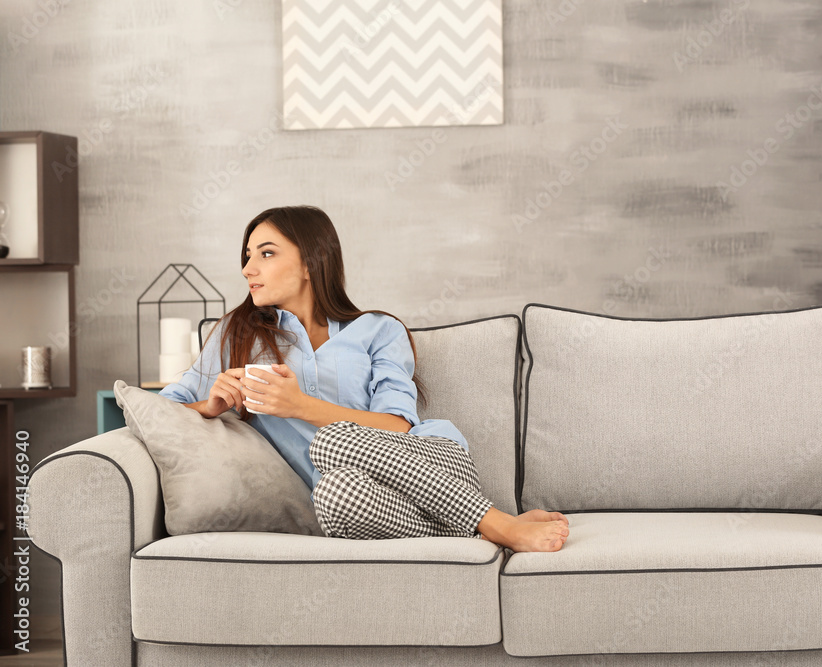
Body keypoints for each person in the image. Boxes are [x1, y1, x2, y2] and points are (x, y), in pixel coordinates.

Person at [158, 205, 570, 552]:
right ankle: (482, 528)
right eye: (247, 256)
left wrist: (300, 406)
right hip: (357, 497)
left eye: (265, 254)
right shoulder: (238, 334)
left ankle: (498, 524)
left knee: (333, 439)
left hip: (432, 462)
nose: (248, 269)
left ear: (309, 261)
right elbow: (161, 410)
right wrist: (208, 407)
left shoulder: (379, 330)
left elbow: (398, 426)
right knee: (334, 496)